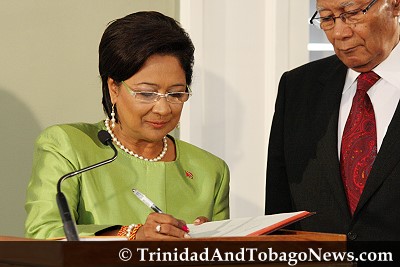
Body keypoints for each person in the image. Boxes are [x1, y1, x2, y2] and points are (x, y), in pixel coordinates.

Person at [25, 11, 230, 240]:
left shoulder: (210, 171)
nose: (163, 108)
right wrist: (132, 235)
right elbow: (44, 235)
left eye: (175, 93)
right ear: (114, 87)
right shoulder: (67, 146)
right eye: (146, 93)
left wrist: (208, 241)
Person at [265, 0, 400, 241]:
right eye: (327, 18)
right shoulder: (297, 88)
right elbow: (279, 208)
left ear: (394, 5)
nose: (339, 33)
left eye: (352, 14)